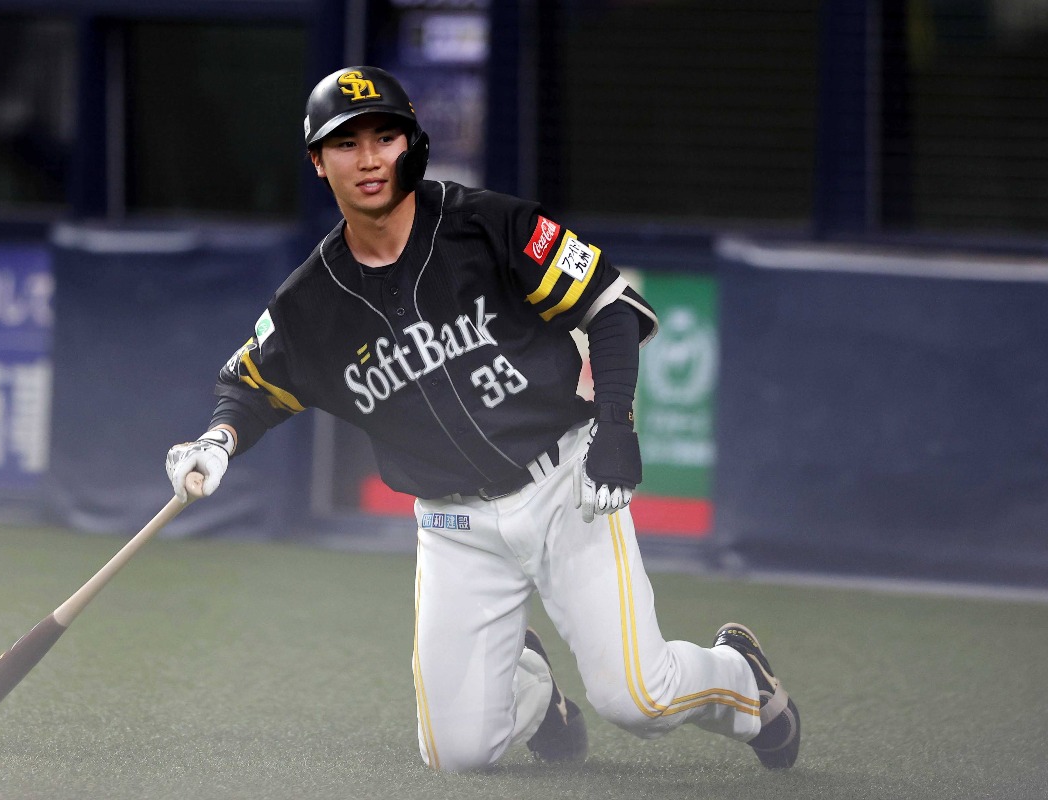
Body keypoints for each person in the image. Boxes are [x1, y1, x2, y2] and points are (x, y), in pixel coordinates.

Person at [165, 66, 800, 772]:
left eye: (385, 137)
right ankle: (533, 688)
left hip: (562, 488)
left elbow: (612, 308)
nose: (369, 158)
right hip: (453, 525)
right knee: (458, 754)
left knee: (639, 700)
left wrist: (615, 427)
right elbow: (250, 387)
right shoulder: (310, 302)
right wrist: (217, 442)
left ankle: (742, 679)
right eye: (346, 143)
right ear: (318, 161)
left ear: (413, 144)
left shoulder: (489, 225)